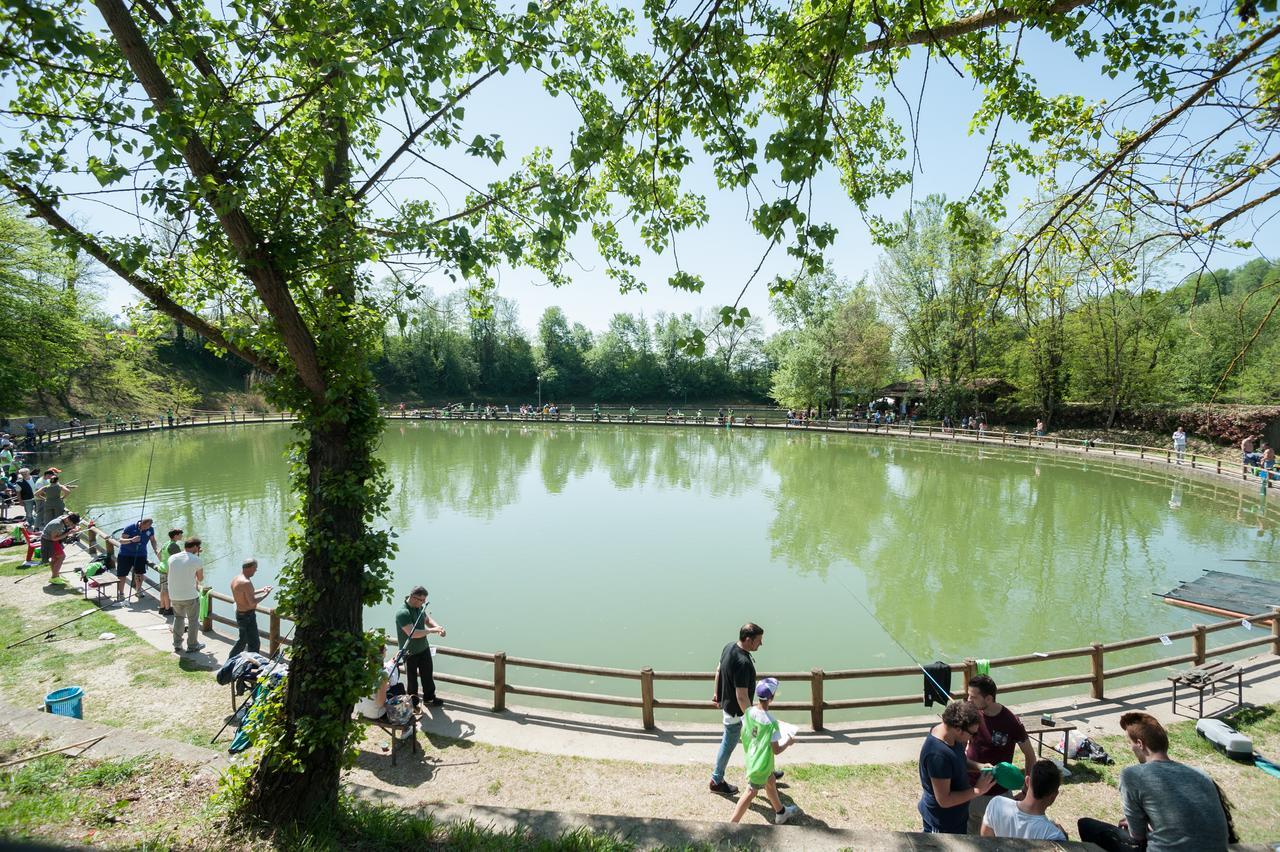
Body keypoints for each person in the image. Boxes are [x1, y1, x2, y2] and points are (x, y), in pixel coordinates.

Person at [1077, 712, 1231, 852]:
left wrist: (1139, 827)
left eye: (1129, 743)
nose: (1130, 748)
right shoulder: (1201, 774)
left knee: (1086, 825)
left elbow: (1137, 836)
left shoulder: (1132, 775)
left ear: (1140, 744)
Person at [965, 674, 1037, 834]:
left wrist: (1026, 790)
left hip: (999, 795)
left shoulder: (1011, 721)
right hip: (970, 790)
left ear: (989, 699)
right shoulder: (971, 713)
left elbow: (1030, 756)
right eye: (968, 695)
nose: (968, 700)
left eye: (973, 697)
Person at [729, 678, 800, 825]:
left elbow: (747, 732)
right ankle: (731, 824)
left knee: (771, 781)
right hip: (761, 764)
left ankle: (781, 812)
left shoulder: (749, 712)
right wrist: (788, 742)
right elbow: (776, 750)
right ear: (771, 698)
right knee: (751, 792)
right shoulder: (772, 723)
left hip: (752, 756)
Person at [918, 700, 995, 834]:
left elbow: (959, 761)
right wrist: (977, 790)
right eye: (973, 733)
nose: (973, 738)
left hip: (956, 818)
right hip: (942, 824)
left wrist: (979, 767)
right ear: (958, 729)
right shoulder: (938, 756)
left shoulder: (950, 736)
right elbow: (944, 800)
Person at [709, 622, 764, 795]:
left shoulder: (729, 647)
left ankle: (766, 772)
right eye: (759, 641)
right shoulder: (742, 662)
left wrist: (717, 694)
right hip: (737, 713)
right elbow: (741, 695)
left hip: (730, 707)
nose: (761, 644)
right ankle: (716, 780)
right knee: (731, 743)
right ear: (748, 640)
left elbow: (718, 670)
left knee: (755, 742)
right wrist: (751, 718)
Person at [981, 761, 1068, 841]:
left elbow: (986, 842)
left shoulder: (996, 804)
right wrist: (1064, 840)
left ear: (1027, 781)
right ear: (1054, 796)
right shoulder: (1053, 835)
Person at [395, 585, 446, 709]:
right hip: (410, 652)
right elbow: (412, 633)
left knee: (428, 675)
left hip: (424, 648)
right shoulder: (403, 613)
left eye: (424, 600)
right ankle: (413, 703)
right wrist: (432, 631)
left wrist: (438, 627)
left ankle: (429, 698)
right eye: (421, 600)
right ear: (413, 597)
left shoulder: (419, 607)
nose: (423, 602)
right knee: (412, 680)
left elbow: (427, 619)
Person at [228, 558, 273, 658]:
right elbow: (252, 603)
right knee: (253, 643)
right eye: (255, 568)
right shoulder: (246, 582)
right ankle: (250, 664)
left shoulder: (236, 579)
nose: (256, 571)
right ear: (250, 568)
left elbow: (246, 594)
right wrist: (266, 594)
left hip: (240, 613)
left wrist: (262, 590)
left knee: (243, 640)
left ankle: (233, 660)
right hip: (247, 616)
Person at [166, 537, 204, 655]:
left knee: (178, 618)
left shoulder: (172, 558)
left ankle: (177, 644)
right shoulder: (196, 559)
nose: (198, 549)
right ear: (194, 547)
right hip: (190, 595)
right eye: (198, 547)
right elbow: (200, 578)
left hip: (174, 594)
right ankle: (192, 645)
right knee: (193, 621)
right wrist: (197, 557)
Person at [355, 642, 403, 720]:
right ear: (381, 654)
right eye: (385, 650)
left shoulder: (362, 667)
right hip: (375, 714)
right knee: (399, 687)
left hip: (361, 710)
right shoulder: (382, 674)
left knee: (389, 688)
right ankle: (403, 721)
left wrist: (384, 687)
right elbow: (380, 703)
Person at [116, 517, 160, 601]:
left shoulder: (150, 529)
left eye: (149, 526)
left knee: (139, 574)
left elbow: (153, 540)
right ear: (142, 523)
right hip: (125, 554)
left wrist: (155, 549)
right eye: (146, 526)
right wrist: (131, 540)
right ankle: (121, 593)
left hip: (140, 555)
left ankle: (138, 590)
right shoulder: (130, 528)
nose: (147, 528)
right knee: (122, 574)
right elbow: (121, 540)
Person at [41, 512, 81, 583]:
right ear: (68, 520)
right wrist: (68, 533)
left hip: (52, 540)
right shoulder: (57, 524)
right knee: (61, 556)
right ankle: (54, 577)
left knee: (55, 558)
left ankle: (56, 576)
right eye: (72, 524)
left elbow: (70, 526)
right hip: (49, 541)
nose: (71, 525)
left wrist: (76, 527)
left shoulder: (65, 518)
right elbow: (53, 538)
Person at [158, 527, 183, 616]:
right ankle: (168, 609)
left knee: (163, 589)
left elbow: (159, 554)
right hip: (168, 571)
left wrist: (162, 562)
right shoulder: (174, 546)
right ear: (176, 536)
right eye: (180, 534)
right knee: (167, 590)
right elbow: (181, 558)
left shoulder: (166, 543)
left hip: (162, 568)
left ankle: (162, 607)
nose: (182, 536)